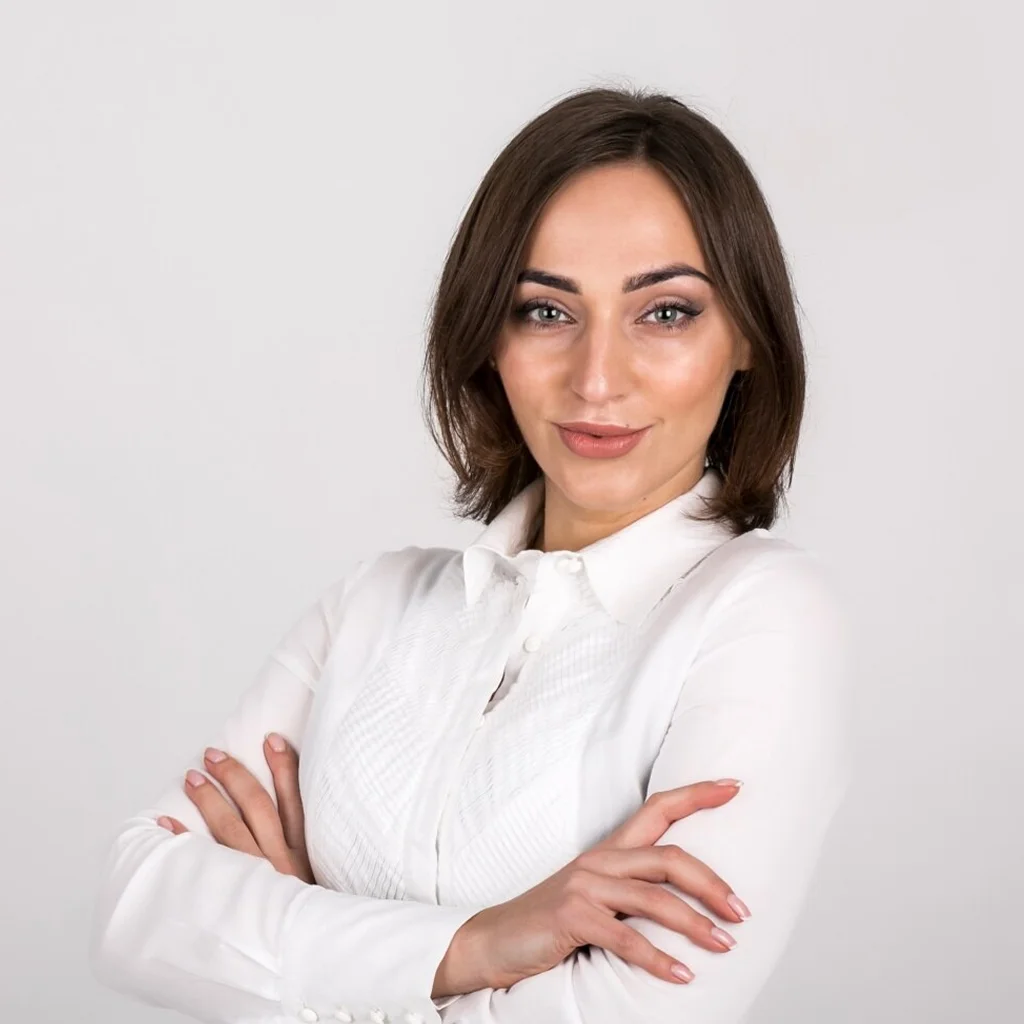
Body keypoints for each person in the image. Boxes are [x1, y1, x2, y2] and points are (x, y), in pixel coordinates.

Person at [88, 85, 852, 1024]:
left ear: (747, 339)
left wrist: (295, 947)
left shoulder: (764, 614)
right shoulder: (376, 602)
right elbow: (135, 907)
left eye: (665, 313)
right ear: (489, 335)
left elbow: (645, 1011)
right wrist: (477, 947)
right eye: (546, 311)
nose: (597, 379)